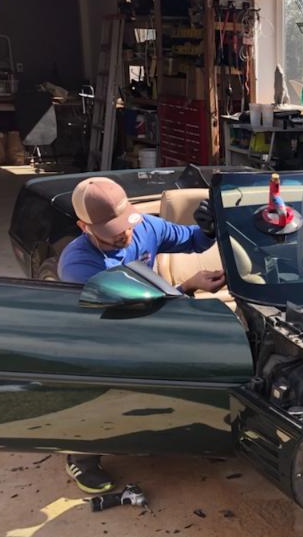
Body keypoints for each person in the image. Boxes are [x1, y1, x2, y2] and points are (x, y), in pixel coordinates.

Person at [57, 176, 222, 493]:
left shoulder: (146, 226)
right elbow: (127, 309)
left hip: (149, 320)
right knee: (102, 386)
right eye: (113, 233)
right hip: (101, 332)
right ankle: (82, 455)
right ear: (83, 226)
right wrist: (188, 286)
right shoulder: (78, 264)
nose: (126, 235)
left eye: (127, 225)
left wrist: (207, 228)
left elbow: (193, 241)